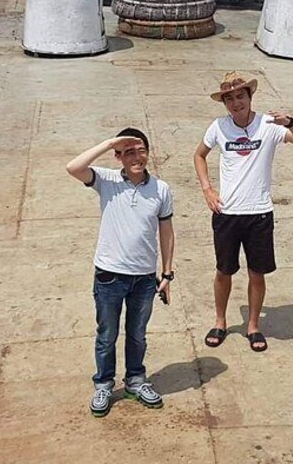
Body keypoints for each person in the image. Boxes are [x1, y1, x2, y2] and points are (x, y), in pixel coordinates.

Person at [194, 71, 293, 352]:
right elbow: (199, 155)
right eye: (230, 99)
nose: (236, 103)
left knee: (256, 273)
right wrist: (208, 189)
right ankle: (220, 321)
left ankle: (253, 326)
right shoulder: (218, 127)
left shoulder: (268, 125)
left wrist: (291, 123)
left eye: (240, 96)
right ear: (224, 103)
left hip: (259, 213)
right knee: (224, 271)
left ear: (250, 96)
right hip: (227, 213)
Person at [66, 128, 175, 417]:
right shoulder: (107, 180)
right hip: (110, 276)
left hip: (144, 278)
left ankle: (135, 381)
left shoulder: (161, 189)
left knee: (138, 334)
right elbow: (73, 167)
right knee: (107, 334)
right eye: (127, 152)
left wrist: (167, 273)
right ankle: (103, 384)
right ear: (118, 157)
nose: (135, 157)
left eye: (140, 150)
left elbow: (166, 230)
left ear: (148, 152)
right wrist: (111, 143)